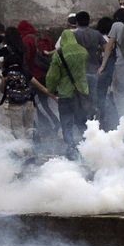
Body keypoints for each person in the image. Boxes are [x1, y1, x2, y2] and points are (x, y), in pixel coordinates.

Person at [47, 29, 89, 157]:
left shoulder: (59, 54)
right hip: (81, 92)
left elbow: (52, 77)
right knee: (82, 121)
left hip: (66, 93)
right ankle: (87, 146)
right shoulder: (83, 51)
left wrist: (51, 89)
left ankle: (71, 147)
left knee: (66, 121)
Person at [72, 11, 106, 114]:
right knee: (93, 95)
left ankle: (86, 121)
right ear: (89, 21)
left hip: (79, 71)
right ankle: (94, 117)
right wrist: (102, 65)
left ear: (76, 22)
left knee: (82, 97)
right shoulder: (96, 34)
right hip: (94, 69)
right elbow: (107, 47)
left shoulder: (73, 35)